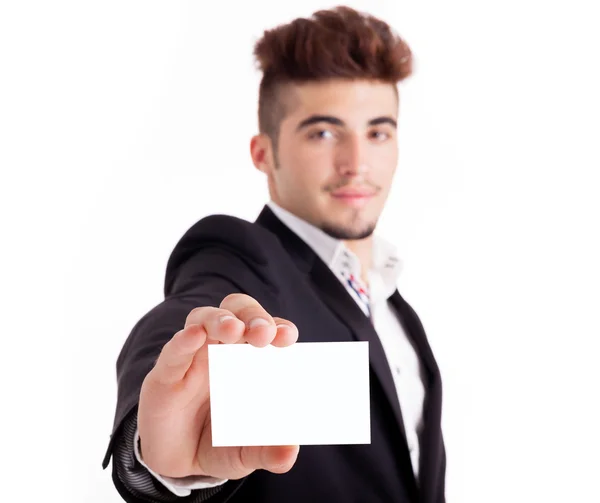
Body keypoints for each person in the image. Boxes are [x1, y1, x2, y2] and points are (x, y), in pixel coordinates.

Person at [102, 6, 446, 502]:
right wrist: (153, 448)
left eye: (377, 132)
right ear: (263, 153)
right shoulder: (239, 258)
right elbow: (188, 317)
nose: (357, 163)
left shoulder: (398, 310)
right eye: (323, 133)